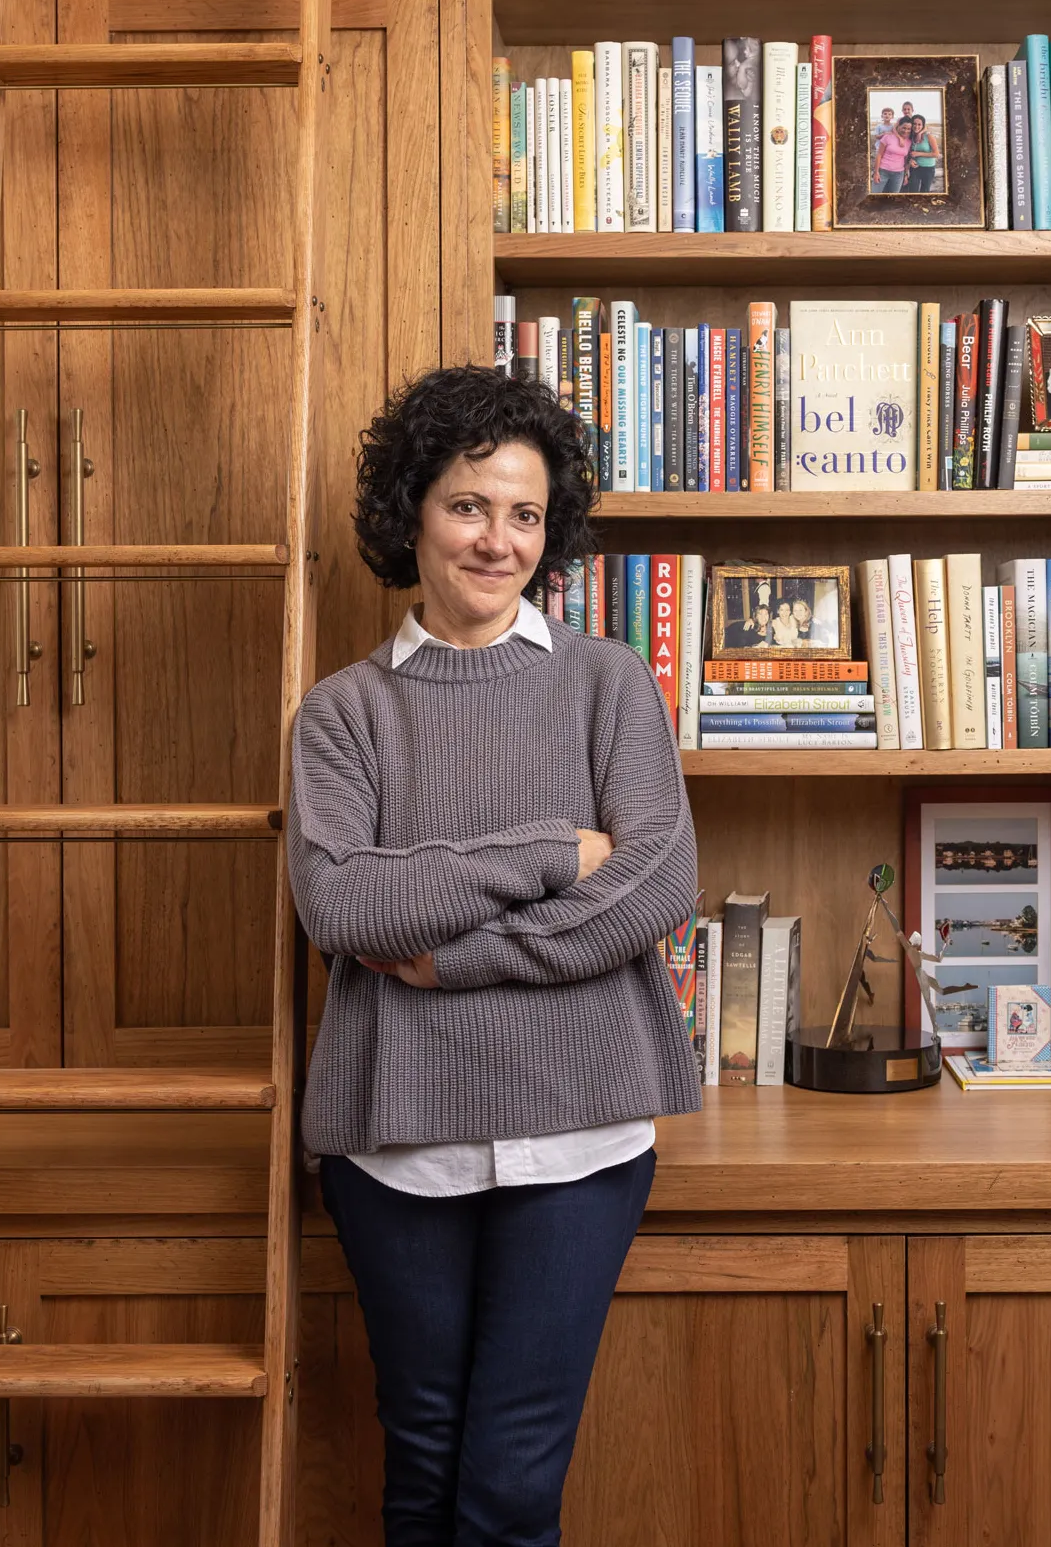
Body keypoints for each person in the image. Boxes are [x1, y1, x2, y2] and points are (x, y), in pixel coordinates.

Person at [290, 365, 701, 1546]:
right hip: (397, 1141)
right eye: (470, 505)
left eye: (525, 514)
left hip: (580, 1140)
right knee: (422, 1466)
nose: (497, 539)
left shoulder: (607, 683)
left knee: (513, 1485)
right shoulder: (343, 715)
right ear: (412, 511)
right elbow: (345, 904)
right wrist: (555, 851)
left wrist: (454, 956)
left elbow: (655, 882)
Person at [904, 112, 941, 194]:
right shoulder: (910, 136)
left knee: (925, 191)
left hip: (928, 169)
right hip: (915, 168)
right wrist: (910, 161)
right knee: (913, 191)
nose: (916, 126)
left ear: (923, 125)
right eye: (914, 123)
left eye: (919, 124)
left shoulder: (929, 136)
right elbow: (908, 153)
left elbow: (936, 154)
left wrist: (919, 154)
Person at [874, 113, 911, 193]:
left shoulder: (909, 141)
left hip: (899, 174)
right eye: (904, 128)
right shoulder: (888, 137)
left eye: (908, 129)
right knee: (875, 194)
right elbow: (879, 154)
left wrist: (905, 175)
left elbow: (906, 159)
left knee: (893, 198)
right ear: (898, 126)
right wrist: (876, 172)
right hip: (883, 171)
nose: (906, 131)